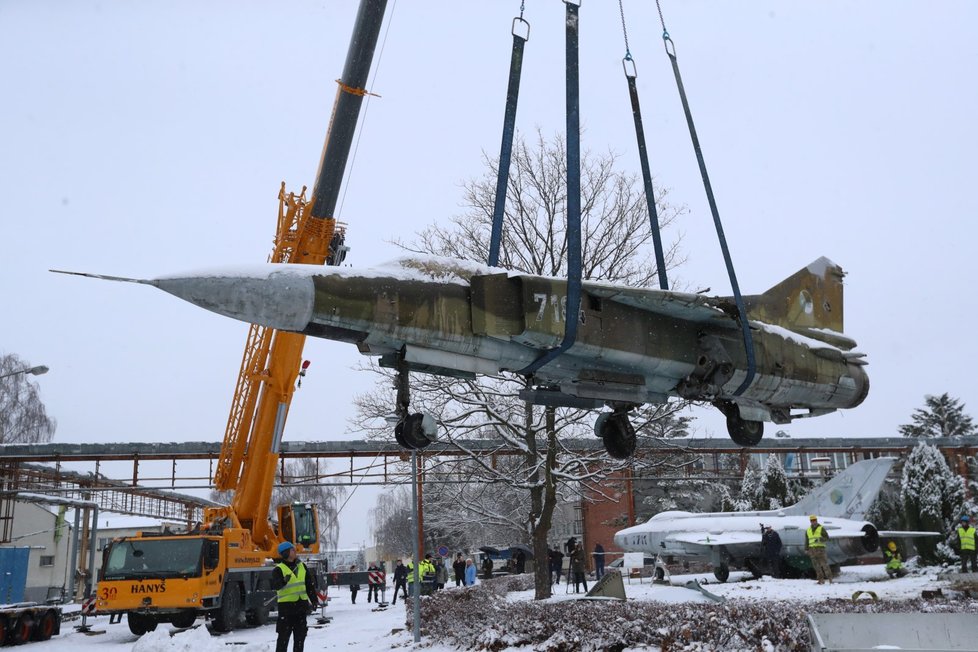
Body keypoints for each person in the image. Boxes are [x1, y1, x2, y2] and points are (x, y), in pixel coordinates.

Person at [271, 541, 317, 652]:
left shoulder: (302, 566)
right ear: (286, 553)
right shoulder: (278, 569)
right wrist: (283, 581)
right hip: (286, 611)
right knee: (283, 640)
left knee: (300, 639)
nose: (295, 551)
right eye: (292, 550)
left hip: (301, 608)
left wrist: (314, 600)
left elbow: (308, 585)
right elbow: (276, 586)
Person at [805, 515, 832, 584]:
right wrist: (806, 549)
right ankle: (821, 580)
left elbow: (827, 537)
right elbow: (807, 540)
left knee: (824, 565)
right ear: (810, 521)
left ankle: (830, 579)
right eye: (812, 520)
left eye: (814, 520)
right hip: (812, 550)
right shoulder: (808, 530)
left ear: (816, 520)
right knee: (816, 566)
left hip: (820, 549)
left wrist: (821, 539)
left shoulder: (821, 528)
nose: (813, 522)